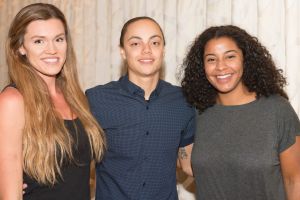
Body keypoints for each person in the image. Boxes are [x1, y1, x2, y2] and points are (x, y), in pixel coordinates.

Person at [180, 25, 300, 200]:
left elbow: (294, 180)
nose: (221, 67)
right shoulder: (196, 112)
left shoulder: (277, 110)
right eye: (211, 59)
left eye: (230, 56)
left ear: (245, 58)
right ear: (202, 66)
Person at [0, 3, 105, 200]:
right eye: (39, 41)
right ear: (20, 48)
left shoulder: (76, 97)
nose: (52, 50)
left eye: (58, 39)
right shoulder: (12, 100)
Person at [86, 16, 196, 200]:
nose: (147, 50)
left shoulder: (183, 101)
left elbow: (189, 164)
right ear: (123, 51)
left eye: (154, 42)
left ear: (163, 50)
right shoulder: (96, 99)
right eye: (136, 43)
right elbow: (75, 163)